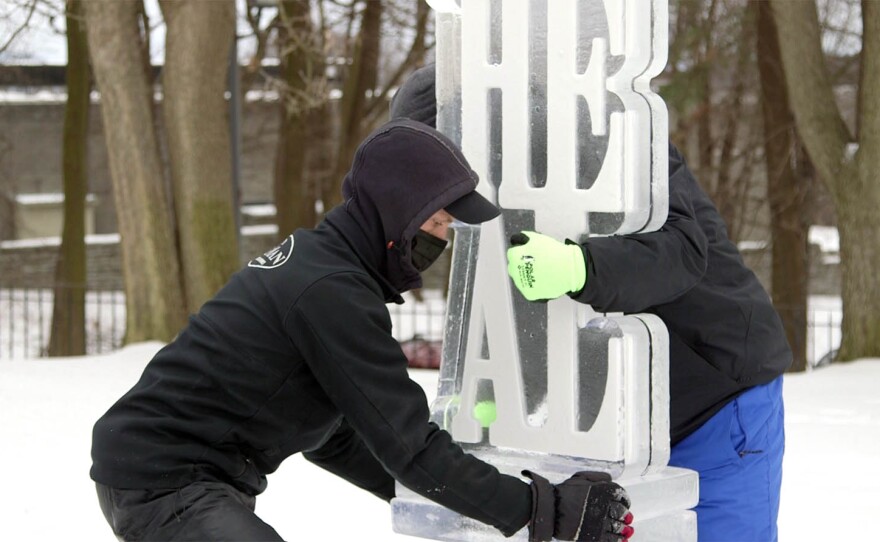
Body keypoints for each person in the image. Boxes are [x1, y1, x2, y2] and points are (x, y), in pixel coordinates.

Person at [90, 118, 635, 542]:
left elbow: (334, 436)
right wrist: (546, 509)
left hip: (168, 471)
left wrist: (443, 498)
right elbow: (410, 446)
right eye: (438, 221)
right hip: (164, 481)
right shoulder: (332, 290)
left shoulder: (325, 264)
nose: (442, 239)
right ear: (398, 208)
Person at [391, 65, 791, 542]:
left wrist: (579, 267)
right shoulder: (490, 194)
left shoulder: (607, 127)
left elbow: (684, 250)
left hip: (713, 400)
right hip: (610, 432)